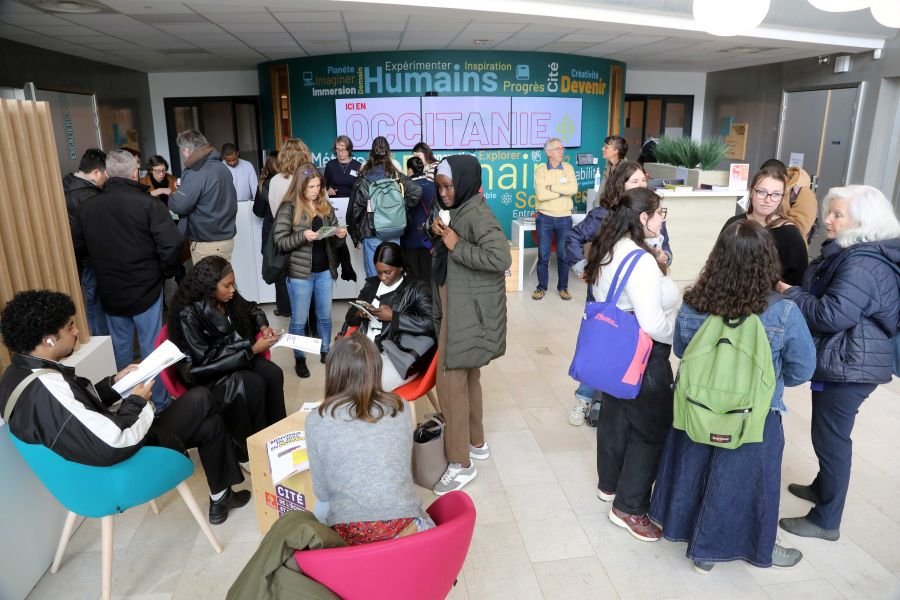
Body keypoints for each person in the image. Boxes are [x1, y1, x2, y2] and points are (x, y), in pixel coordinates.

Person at [650, 220, 816, 573]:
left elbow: (682, 349)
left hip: (698, 406)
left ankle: (691, 540)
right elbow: (803, 369)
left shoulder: (695, 303)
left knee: (694, 470)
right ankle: (746, 545)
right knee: (745, 482)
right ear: (768, 261)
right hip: (755, 412)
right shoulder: (783, 310)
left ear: (717, 258)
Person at [0, 290, 250, 524]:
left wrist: (115, 384)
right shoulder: (48, 388)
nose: (76, 331)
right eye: (70, 327)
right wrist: (138, 401)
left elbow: (75, 412)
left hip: (83, 469)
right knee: (201, 398)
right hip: (113, 471)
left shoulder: (19, 374)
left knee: (210, 424)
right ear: (49, 340)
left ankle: (221, 497)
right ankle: (236, 462)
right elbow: (115, 442)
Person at [776, 185, 900, 541]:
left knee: (831, 439)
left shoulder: (861, 263)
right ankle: (821, 487)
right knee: (827, 432)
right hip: (849, 358)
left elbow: (830, 315)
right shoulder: (853, 253)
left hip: (851, 364)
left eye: (837, 215)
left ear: (861, 222)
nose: (827, 220)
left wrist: (791, 293)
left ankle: (826, 520)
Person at [584, 187, 678, 542]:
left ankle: (609, 484)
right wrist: (677, 336)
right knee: (651, 430)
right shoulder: (639, 260)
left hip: (611, 350)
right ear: (643, 218)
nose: (662, 219)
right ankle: (629, 506)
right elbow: (653, 323)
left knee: (617, 416)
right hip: (642, 353)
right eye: (659, 213)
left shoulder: (608, 247)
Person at [564, 160, 672, 427]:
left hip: (640, 304)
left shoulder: (651, 215)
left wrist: (662, 256)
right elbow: (573, 238)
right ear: (620, 185)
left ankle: (607, 404)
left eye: (642, 181)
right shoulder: (604, 215)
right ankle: (585, 399)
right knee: (602, 347)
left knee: (623, 355)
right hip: (607, 299)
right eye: (633, 182)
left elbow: (667, 251)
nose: (640, 186)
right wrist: (582, 267)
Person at [72, 150, 182, 410]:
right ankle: (160, 402)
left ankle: (128, 401)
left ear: (108, 174)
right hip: (146, 287)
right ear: (135, 173)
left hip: (110, 288)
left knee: (121, 348)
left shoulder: (88, 207)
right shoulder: (148, 204)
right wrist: (164, 271)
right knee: (151, 347)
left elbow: (78, 246)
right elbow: (172, 243)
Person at [429, 155, 511, 494]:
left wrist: (455, 243)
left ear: (463, 183)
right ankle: (476, 442)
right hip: (461, 309)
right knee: (467, 377)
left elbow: (500, 258)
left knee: (449, 383)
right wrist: (442, 231)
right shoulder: (462, 209)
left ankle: (460, 463)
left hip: (465, 314)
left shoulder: (477, 213)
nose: (445, 193)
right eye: (440, 187)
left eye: (449, 186)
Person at [306, 333, 435, 545]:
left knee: (321, 505)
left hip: (347, 533)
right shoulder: (400, 406)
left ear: (333, 372)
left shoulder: (317, 419)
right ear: (376, 368)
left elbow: (321, 491)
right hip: (406, 527)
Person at [168, 256, 286, 465]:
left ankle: (277, 435)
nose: (232, 290)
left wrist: (262, 326)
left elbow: (251, 308)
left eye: (233, 284)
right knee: (255, 385)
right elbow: (205, 360)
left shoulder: (227, 298)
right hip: (208, 372)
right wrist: (250, 350)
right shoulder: (190, 313)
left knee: (274, 374)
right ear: (209, 286)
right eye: (227, 285)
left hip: (236, 356)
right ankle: (252, 448)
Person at [273, 164, 348, 378]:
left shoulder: (324, 205)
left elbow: (333, 240)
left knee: (325, 316)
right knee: (298, 319)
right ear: (300, 187)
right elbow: (279, 242)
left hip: (324, 270)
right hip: (299, 274)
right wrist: (302, 236)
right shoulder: (289, 208)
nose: (316, 191)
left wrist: (339, 236)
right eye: (311, 187)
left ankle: (326, 351)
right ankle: (300, 358)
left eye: (318, 186)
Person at [338, 242, 435, 391]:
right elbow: (349, 318)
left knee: (365, 388)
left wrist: (394, 317)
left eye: (387, 272)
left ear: (401, 267)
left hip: (397, 356)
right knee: (339, 379)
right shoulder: (371, 285)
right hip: (365, 349)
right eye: (379, 272)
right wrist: (359, 312)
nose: (382, 277)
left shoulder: (417, 288)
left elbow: (432, 323)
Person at [348, 136, 422, 278]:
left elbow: (354, 210)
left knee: (374, 278)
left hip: (371, 232)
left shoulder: (364, 178)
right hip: (394, 230)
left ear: (371, 155)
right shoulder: (396, 176)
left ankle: (376, 300)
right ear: (388, 153)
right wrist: (400, 206)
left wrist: (355, 236)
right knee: (392, 276)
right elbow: (417, 191)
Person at [722, 165, 808, 285]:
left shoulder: (790, 234)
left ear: (782, 197)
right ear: (751, 192)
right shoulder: (734, 224)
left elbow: (798, 282)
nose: (768, 200)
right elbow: (718, 263)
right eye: (762, 192)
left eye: (776, 194)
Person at [170, 129, 238, 263]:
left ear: (186, 150)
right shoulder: (221, 167)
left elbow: (179, 206)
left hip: (208, 244)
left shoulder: (196, 171)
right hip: (225, 239)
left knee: (209, 283)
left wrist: (174, 194)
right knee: (224, 281)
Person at [62, 148, 109, 336]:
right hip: (91, 259)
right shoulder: (88, 197)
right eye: (105, 173)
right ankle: (103, 343)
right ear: (96, 172)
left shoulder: (66, 186)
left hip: (79, 257)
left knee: (92, 302)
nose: (106, 177)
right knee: (96, 304)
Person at [531, 137, 576, 301]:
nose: (562, 151)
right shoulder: (541, 170)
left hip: (564, 218)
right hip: (545, 218)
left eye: (562, 148)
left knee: (563, 255)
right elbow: (541, 195)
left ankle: (563, 288)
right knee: (543, 255)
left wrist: (552, 187)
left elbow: (573, 189)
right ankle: (541, 287)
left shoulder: (568, 168)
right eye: (558, 148)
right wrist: (562, 191)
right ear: (549, 152)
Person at [253, 151, 291, 317]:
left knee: (278, 271)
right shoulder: (292, 180)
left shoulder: (265, 184)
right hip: (291, 232)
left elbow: (258, 211)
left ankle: (284, 308)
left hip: (272, 234)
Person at [401, 156, 436, 282]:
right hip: (429, 237)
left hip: (409, 237)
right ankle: (428, 300)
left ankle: (415, 300)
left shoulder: (404, 187)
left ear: (410, 170)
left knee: (412, 276)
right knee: (428, 274)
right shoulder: (434, 186)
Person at [267, 137, 312, 218]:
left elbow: (274, 209)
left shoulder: (275, 180)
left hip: (282, 227)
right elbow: (325, 205)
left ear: (283, 156)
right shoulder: (310, 176)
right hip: (308, 228)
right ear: (304, 154)